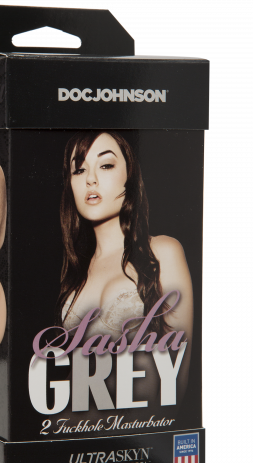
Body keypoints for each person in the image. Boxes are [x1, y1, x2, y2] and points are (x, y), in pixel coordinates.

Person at [55, 131, 194, 409]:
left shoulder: (163, 252)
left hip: (138, 429)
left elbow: (176, 381)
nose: (90, 179)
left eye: (106, 165)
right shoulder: (75, 274)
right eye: (79, 170)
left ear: (129, 176)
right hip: (72, 428)